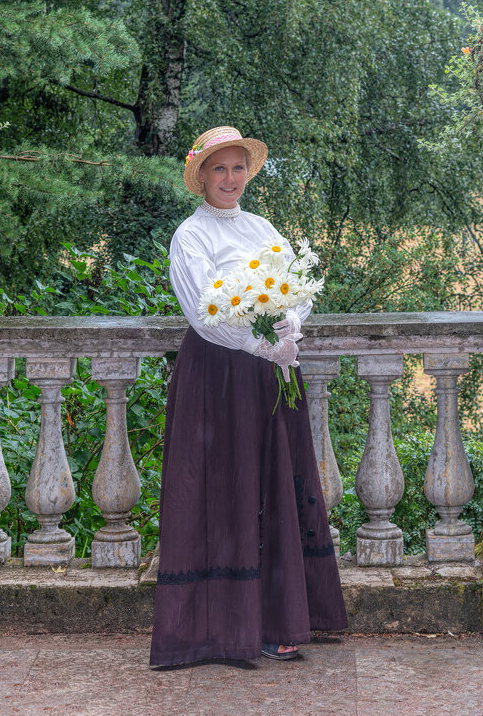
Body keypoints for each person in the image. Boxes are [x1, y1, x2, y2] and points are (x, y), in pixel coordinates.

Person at [149, 126, 348, 667]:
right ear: (202, 178)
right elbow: (203, 314)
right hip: (218, 377)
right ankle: (222, 628)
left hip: (271, 375)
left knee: (273, 488)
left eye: (237, 168)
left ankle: (279, 620)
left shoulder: (262, 227)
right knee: (223, 489)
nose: (230, 179)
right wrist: (263, 345)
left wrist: (288, 332)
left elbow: (294, 287)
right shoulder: (190, 236)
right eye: (219, 170)